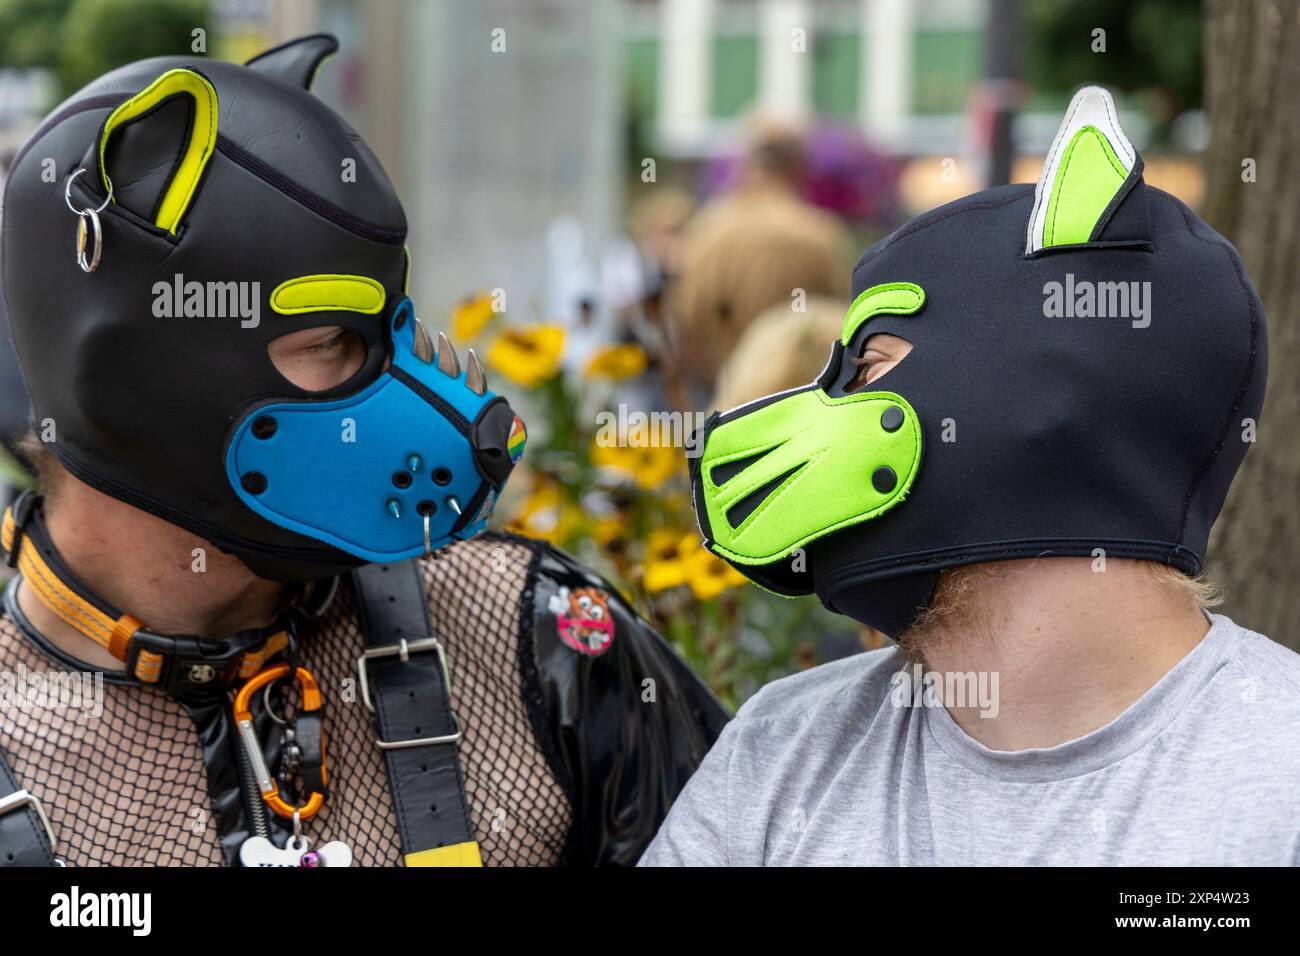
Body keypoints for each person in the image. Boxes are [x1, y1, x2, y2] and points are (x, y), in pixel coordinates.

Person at [0, 35, 726, 868]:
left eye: (392, 328)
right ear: (130, 377)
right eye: (335, 341)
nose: (446, 409)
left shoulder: (537, 640)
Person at [642, 87, 1300, 866]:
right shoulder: (780, 752)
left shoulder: (1276, 784)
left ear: (1051, 389)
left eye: (868, 367)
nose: (810, 409)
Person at [669, 120, 851, 394]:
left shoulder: (707, 229)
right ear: (800, 169)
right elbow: (845, 325)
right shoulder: (820, 234)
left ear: (748, 165)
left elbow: (684, 326)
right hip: (802, 401)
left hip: (726, 396)